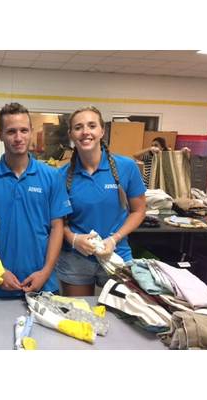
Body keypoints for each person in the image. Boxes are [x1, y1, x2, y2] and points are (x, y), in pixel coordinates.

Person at [56, 106, 146, 296]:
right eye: (78, 127)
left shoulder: (126, 167)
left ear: (102, 131)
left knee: (123, 317)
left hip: (116, 254)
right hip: (75, 259)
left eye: (92, 125)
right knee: (80, 315)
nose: (85, 132)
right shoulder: (61, 176)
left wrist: (114, 239)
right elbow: (57, 221)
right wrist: (73, 239)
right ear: (71, 134)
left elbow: (138, 211)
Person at [0, 102, 72, 298]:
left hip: (45, 284)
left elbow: (57, 227)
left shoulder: (51, 176)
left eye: (24, 130)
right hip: (1, 286)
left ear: (31, 131)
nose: (18, 138)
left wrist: (46, 272)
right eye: (11, 131)